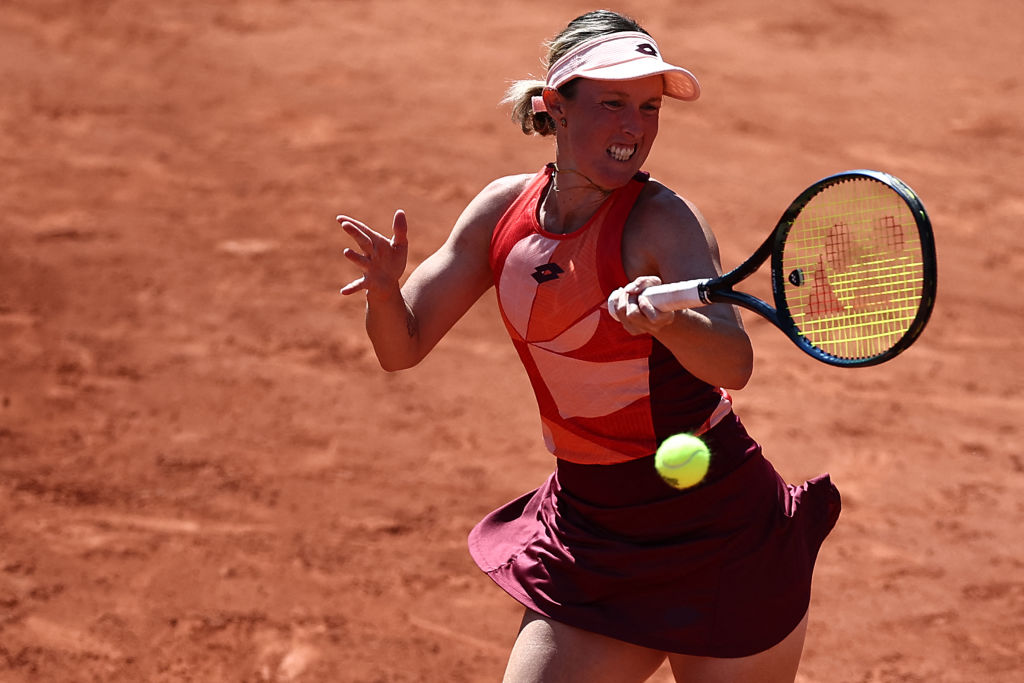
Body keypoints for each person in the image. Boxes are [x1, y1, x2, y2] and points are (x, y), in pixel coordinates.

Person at [338, 10, 840, 682]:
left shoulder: (663, 221)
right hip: (592, 539)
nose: (634, 127)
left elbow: (734, 360)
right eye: (611, 103)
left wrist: (667, 323)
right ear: (556, 108)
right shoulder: (500, 214)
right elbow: (402, 346)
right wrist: (382, 290)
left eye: (648, 107)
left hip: (718, 536)